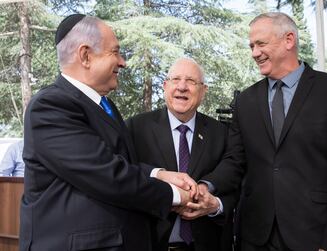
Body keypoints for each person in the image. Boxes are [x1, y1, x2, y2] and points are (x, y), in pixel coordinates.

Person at [20, 14, 196, 251]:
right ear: (85, 55)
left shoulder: (104, 105)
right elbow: (105, 173)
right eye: (115, 52)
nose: (123, 62)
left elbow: (113, 160)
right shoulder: (51, 105)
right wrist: (174, 195)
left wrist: (159, 174)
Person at [200, 12, 327, 251]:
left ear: (289, 40)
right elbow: (236, 161)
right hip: (255, 237)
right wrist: (207, 186)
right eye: (252, 46)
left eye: (261, 44)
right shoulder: (246, 101)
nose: (255, 53)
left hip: (314, 237)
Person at [126, 58, 236, 251]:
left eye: (191, 81)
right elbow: (122, 172)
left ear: (204, 91)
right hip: (150, 244)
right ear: (165, 86)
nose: (182, 87)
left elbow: (235, 184)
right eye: (176, 79)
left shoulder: (222, 133)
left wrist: (215, 204)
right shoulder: (135, 128)